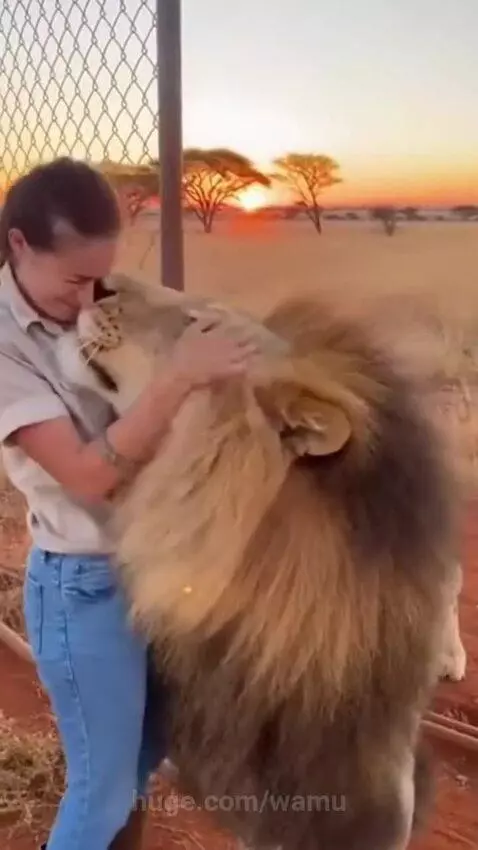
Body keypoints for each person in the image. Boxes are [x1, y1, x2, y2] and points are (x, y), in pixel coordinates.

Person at [0, 157, 258, 850]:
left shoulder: (94, 293)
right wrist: (175, 382)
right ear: (20, 246)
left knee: (143, 761)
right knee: (102, 789)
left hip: (156, 570)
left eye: (102, 280)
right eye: (76, 282)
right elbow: (86, 475)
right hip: (83, 583)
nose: (91, 303)